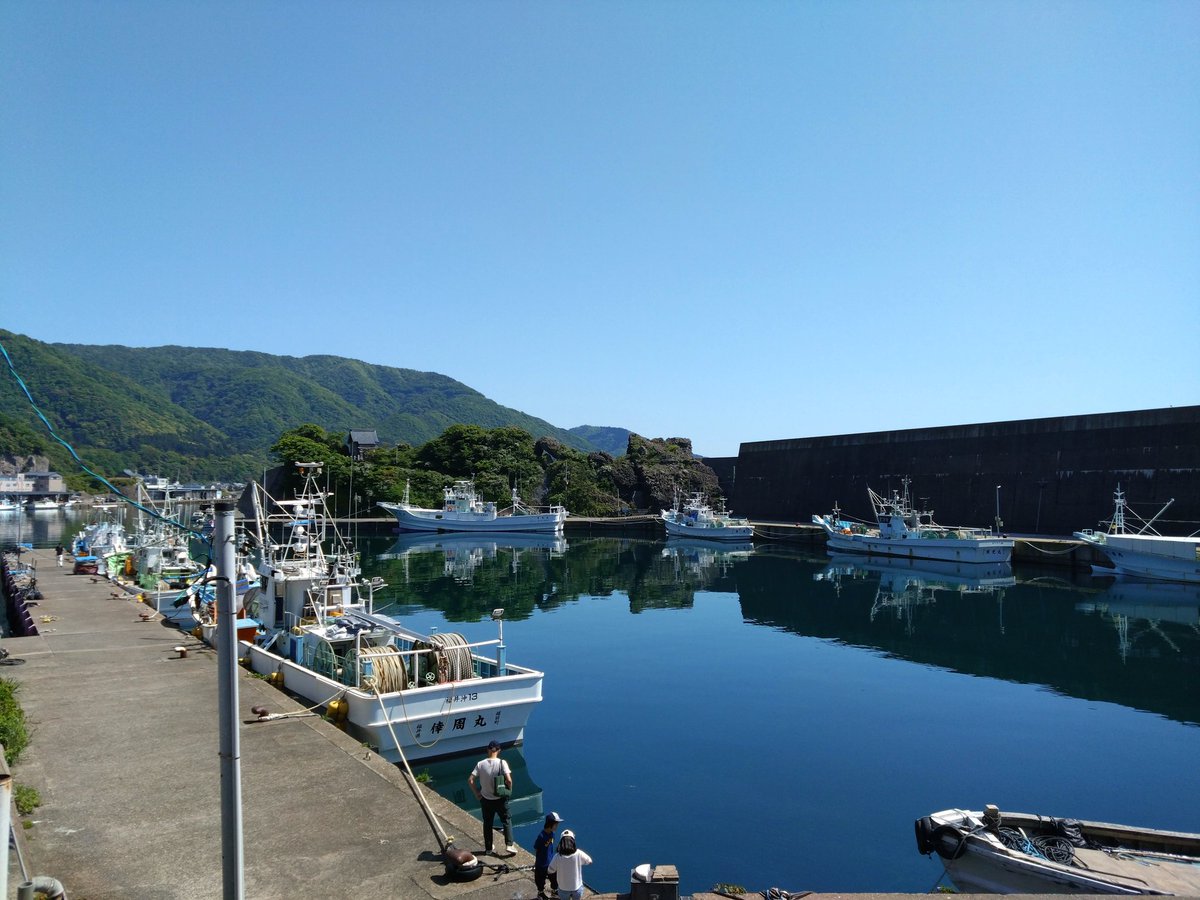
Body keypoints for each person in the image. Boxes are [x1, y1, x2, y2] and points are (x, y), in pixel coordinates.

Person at [468, 740, 515, 856]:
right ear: (499, 750)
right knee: (506, 820)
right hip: (500, 799)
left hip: (485, 800)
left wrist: (477, 793)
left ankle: (488, 848)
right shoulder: (502, 763)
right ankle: (509, 845)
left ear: (488, 750)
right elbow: (509, 780)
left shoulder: (480, 764)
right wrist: (509, 791)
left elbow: (470, 780)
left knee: (487, 823)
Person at [547, 828, 592, 900]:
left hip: (563, 888)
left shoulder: (557, 856)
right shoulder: (578, 853)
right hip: (577, 887)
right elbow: (589, 861)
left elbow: (550, 870)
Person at [533, 811, 563, 899]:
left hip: (551, 861)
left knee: (554, 877)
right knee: (540, 879)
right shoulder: (541, 836)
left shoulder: (552, 834)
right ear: (550, 824)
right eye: (556, 824)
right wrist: (537, 862)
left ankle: (554, 890)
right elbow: (536, 848)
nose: (557, 826)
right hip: (542, 863)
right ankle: (540, 893)